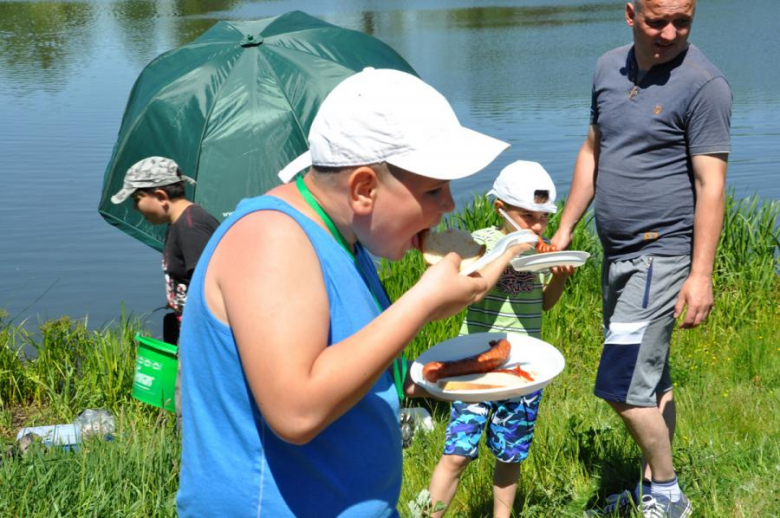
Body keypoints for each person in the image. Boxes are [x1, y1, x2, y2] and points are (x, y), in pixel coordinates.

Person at [175, 67, 530, 516]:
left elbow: (349, 364)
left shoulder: (344, 240)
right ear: (364, 189)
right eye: (434, 189)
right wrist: (421, 302)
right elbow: (296, 412)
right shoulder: (271, 239)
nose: (449, 207)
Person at [551, 1, 732, 516]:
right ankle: (651, 490)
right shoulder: (607, 67)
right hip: (617, 255)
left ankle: (670, 493)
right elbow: (594, 150)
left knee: (619, 383)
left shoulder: (705, 85)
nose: (670, 32)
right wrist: (565, 228)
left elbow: (710, 185)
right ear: (630, 14)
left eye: (683, 21)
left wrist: (701, 276)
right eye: (657, 20)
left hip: (662, 254)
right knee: (650, 379)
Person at [428, 161, 574, 518]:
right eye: (528, 217)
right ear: (501, 210)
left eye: (544, 217)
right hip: (475, 364)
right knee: (458, 452)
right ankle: (427, 514)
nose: (538, 226)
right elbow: (470, 292)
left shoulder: (543, 248)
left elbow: (543, 304)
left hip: (524, 365)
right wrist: (509, 250)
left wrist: (559, 276)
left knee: (511, 453)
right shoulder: (481, 243)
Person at [111, 156, 219, 425]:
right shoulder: (180, 223)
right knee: (183, 401)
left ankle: (190, 461)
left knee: (193, 408)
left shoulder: (193, 226)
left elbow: (210, 285)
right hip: (190, 330)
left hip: (203, 336)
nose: (137, 208)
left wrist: (198, 339)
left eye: (137, 198)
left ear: (160, 195)